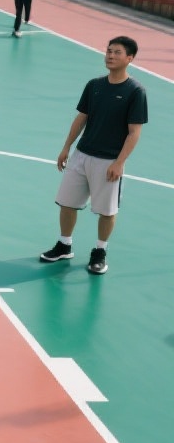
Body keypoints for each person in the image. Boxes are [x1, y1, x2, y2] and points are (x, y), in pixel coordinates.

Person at [39, 36, 147, 275]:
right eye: (109, 51)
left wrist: (119, 162)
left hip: (109, 161)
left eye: (117, 52)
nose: (110, 56)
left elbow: (134, 132)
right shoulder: (94, 85)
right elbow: (81, 118)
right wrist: (66, 147)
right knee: (67, 203)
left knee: (107, 211)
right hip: (81, 155)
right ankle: (64, 245)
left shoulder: (135, 91)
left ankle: (100, 251)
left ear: (129, 58)